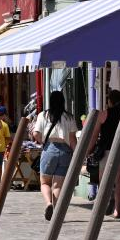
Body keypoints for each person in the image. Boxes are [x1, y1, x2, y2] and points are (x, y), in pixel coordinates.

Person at [89, 89, 120, 218]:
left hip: (106, 150)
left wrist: (89, 150)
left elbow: (94, 136)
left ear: (109, 101)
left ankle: (103, 204)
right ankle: (117, 209)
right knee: (119, 180)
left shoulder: (103, 115)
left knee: (103, 179)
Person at [31, 90, 78, 220]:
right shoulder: (69, 117)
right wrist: (78, 155)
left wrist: (43, 142)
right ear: (63, 101)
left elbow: (35, 134)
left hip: (50, 148)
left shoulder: (43, 115)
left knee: (45, 182)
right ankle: (55, 211)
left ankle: (48, 203)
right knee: (58, 185)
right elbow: (73, 139)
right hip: (65, 151)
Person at [0, 105, 11, 186]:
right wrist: (6, 145)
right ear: (4, 115)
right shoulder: (4, 125)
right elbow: (7, 138)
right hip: (0, 148)